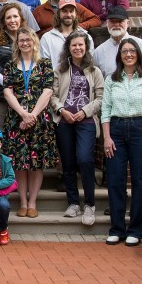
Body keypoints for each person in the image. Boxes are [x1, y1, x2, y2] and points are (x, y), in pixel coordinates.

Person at [102, 38, 142, 246]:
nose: (128, 54)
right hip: (116, 130)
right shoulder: (111, 79)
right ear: (120, 56)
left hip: (140, 129)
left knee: (139, 181)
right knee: (116, 181)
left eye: (132, 51)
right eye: (124, 51)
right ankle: (117, 228)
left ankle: (136, 229)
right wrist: (107, 137)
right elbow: (105, 110)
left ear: (138, 54)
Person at [50, 32, 104, 227]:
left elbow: (100, 97)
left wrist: (85, 111)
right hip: (65, 121)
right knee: (68, 162)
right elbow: (52, 96)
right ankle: (73, 202)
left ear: (86, 47)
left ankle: (89, 204)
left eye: (81, 45)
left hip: (86, 122)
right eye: (74, 45)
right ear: (68, 48)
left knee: (85, 159)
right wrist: (62, 110)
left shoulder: (94, 71)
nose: (77, 48)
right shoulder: (60, 70)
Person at [3, 28, 56, 219]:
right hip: (16, 119)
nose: (25, 43)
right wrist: (23, 114)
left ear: (34, 41)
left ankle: (32, 202)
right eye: (21, 40)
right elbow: (7, 92)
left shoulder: (45, 64)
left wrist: (32, 115)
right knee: (19, 162)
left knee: (36, 162)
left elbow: (48, 91)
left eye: (28, 40)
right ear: (17, 43)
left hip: (39, 119)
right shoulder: (10, 65)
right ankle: (22, 202)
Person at [0, 3, 32, 129]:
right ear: (3, 21)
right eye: (8, 18)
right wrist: (11, 85)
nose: (12, 20)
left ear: (21, 18)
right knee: (0, 134)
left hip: (24, 96)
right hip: (0, 96)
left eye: (15, 17)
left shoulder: (29, 39)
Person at [93, 6, 142, 80]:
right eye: (112, 21)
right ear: (107, 23)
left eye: (120, 21)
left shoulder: (141, 45)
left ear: (128, 23)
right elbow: (96, 82)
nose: (116, 24)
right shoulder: (99, 52)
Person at [39, 0, 95, 70]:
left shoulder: (86, 36)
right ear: (58, 14)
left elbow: (89, 63)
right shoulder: (47, 38)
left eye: (71, 11)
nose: (68, 15)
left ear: (76, 14)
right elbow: (45, 67)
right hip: (56, 80)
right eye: (64, 11)